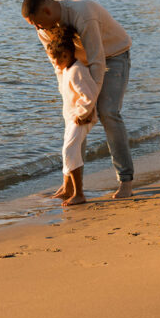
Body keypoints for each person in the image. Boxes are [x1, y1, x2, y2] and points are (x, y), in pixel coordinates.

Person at [22, 0, 135, 198]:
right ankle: (73, 187)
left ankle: (125, 181)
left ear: (47, 10)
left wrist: (89, 102)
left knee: (107, 112)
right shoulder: (43, 28)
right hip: (77, 62)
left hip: (113, 55)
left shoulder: (82, 13)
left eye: (38, 23)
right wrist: (69, 99)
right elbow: (58, 66)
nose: (38, 29)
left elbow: (97, 60)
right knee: (75, 117)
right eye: (34, 26)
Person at [44, 23, 100, 207]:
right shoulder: (67, 69)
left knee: (70, 150)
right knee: (68, 150)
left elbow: (90, 95)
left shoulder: (77, 71)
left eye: (56, 59)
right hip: (72, 118)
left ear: (66, 55)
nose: (54, 63)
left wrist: (83, 113)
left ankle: (78, 193)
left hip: (82, 118)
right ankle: (68, 188)